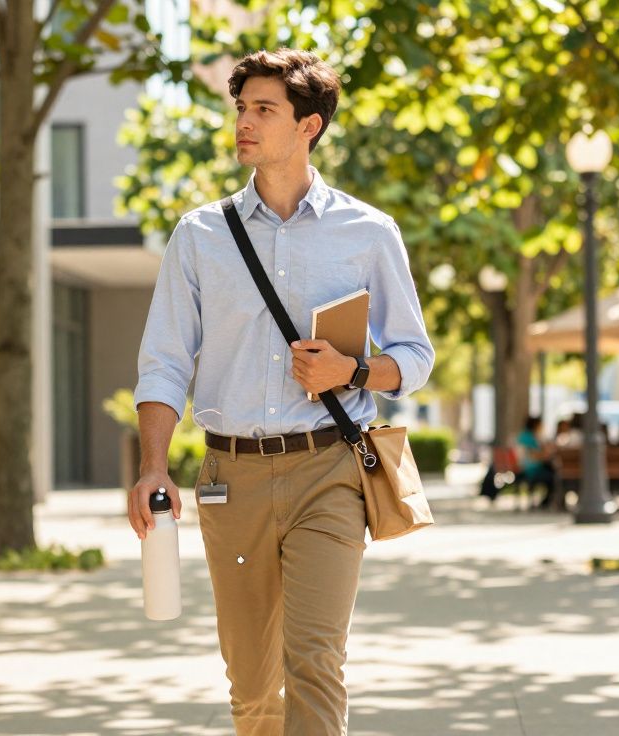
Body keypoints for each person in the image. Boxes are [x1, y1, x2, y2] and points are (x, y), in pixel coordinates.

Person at [130, 49, 434, 735]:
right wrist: (153, 466)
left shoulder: (367, 232)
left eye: (263, 109)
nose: (244, 122)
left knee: (316, 661)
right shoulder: (199, 237)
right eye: (241, 108)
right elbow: (164, 363)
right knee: (253, 684)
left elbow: (414, 357)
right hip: (229, 479)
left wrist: (352, 373)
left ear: (309, 126)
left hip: (329, 471)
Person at [517, 417, 555, 508]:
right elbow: (536, 455)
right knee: (554, 477)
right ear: (536, 425)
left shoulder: (523, 436)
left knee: (551, 473)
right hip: (531, 470)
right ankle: (546, 502)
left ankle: (546, 502)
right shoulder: (530, 438)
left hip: (523, 469)